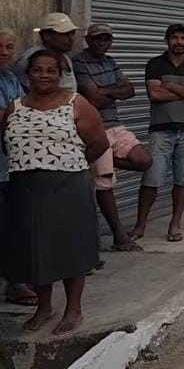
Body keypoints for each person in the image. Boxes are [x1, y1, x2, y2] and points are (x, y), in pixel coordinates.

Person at [2, 50, 108, 335]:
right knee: (34, 250)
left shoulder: (76, 104)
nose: (44, 75)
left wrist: (71, 166)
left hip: (68, 186)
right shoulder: (14, 108)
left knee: (71, 247)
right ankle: (44, 308)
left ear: (60, 75)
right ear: (28, 74)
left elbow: (99, 143)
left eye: (51, 70)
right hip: (25, 189)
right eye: (38, 70)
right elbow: (6, 144)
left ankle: (73, 309)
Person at [72, 23, 152, 253]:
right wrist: (112, 90)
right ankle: (119, 235)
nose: (102, 43)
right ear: (88, 40)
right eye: (98, 39)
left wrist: (104, 90)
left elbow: (130, 90)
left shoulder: (110, 62)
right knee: (105, 183)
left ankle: (101, 160)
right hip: (96, 128)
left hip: (115, 126)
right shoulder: (79, 62)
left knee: (144, 160)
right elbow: (93, 98)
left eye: (107, 39)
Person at [129, 24, 184, 244]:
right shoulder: (155, 64)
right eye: (175, 37)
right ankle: (140, 225)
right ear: (167, 40)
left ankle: (175, 224)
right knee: (151, 179)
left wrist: (172, 87)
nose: (179, 42)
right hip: (161, 130)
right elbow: (154, 94)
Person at [0, 28, 38, 308]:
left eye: (9, 47)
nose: (4, 52)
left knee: (14, 224)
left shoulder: (11, 78)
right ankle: (16, 282)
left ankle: (17, 279)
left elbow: (28, 109)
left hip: (12, 165)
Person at [14, 13, 79, 91]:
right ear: (46, 36)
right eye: (65, 34)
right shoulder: (31, 58)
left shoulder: (66, 58)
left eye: (72, 34)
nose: (71, 39)